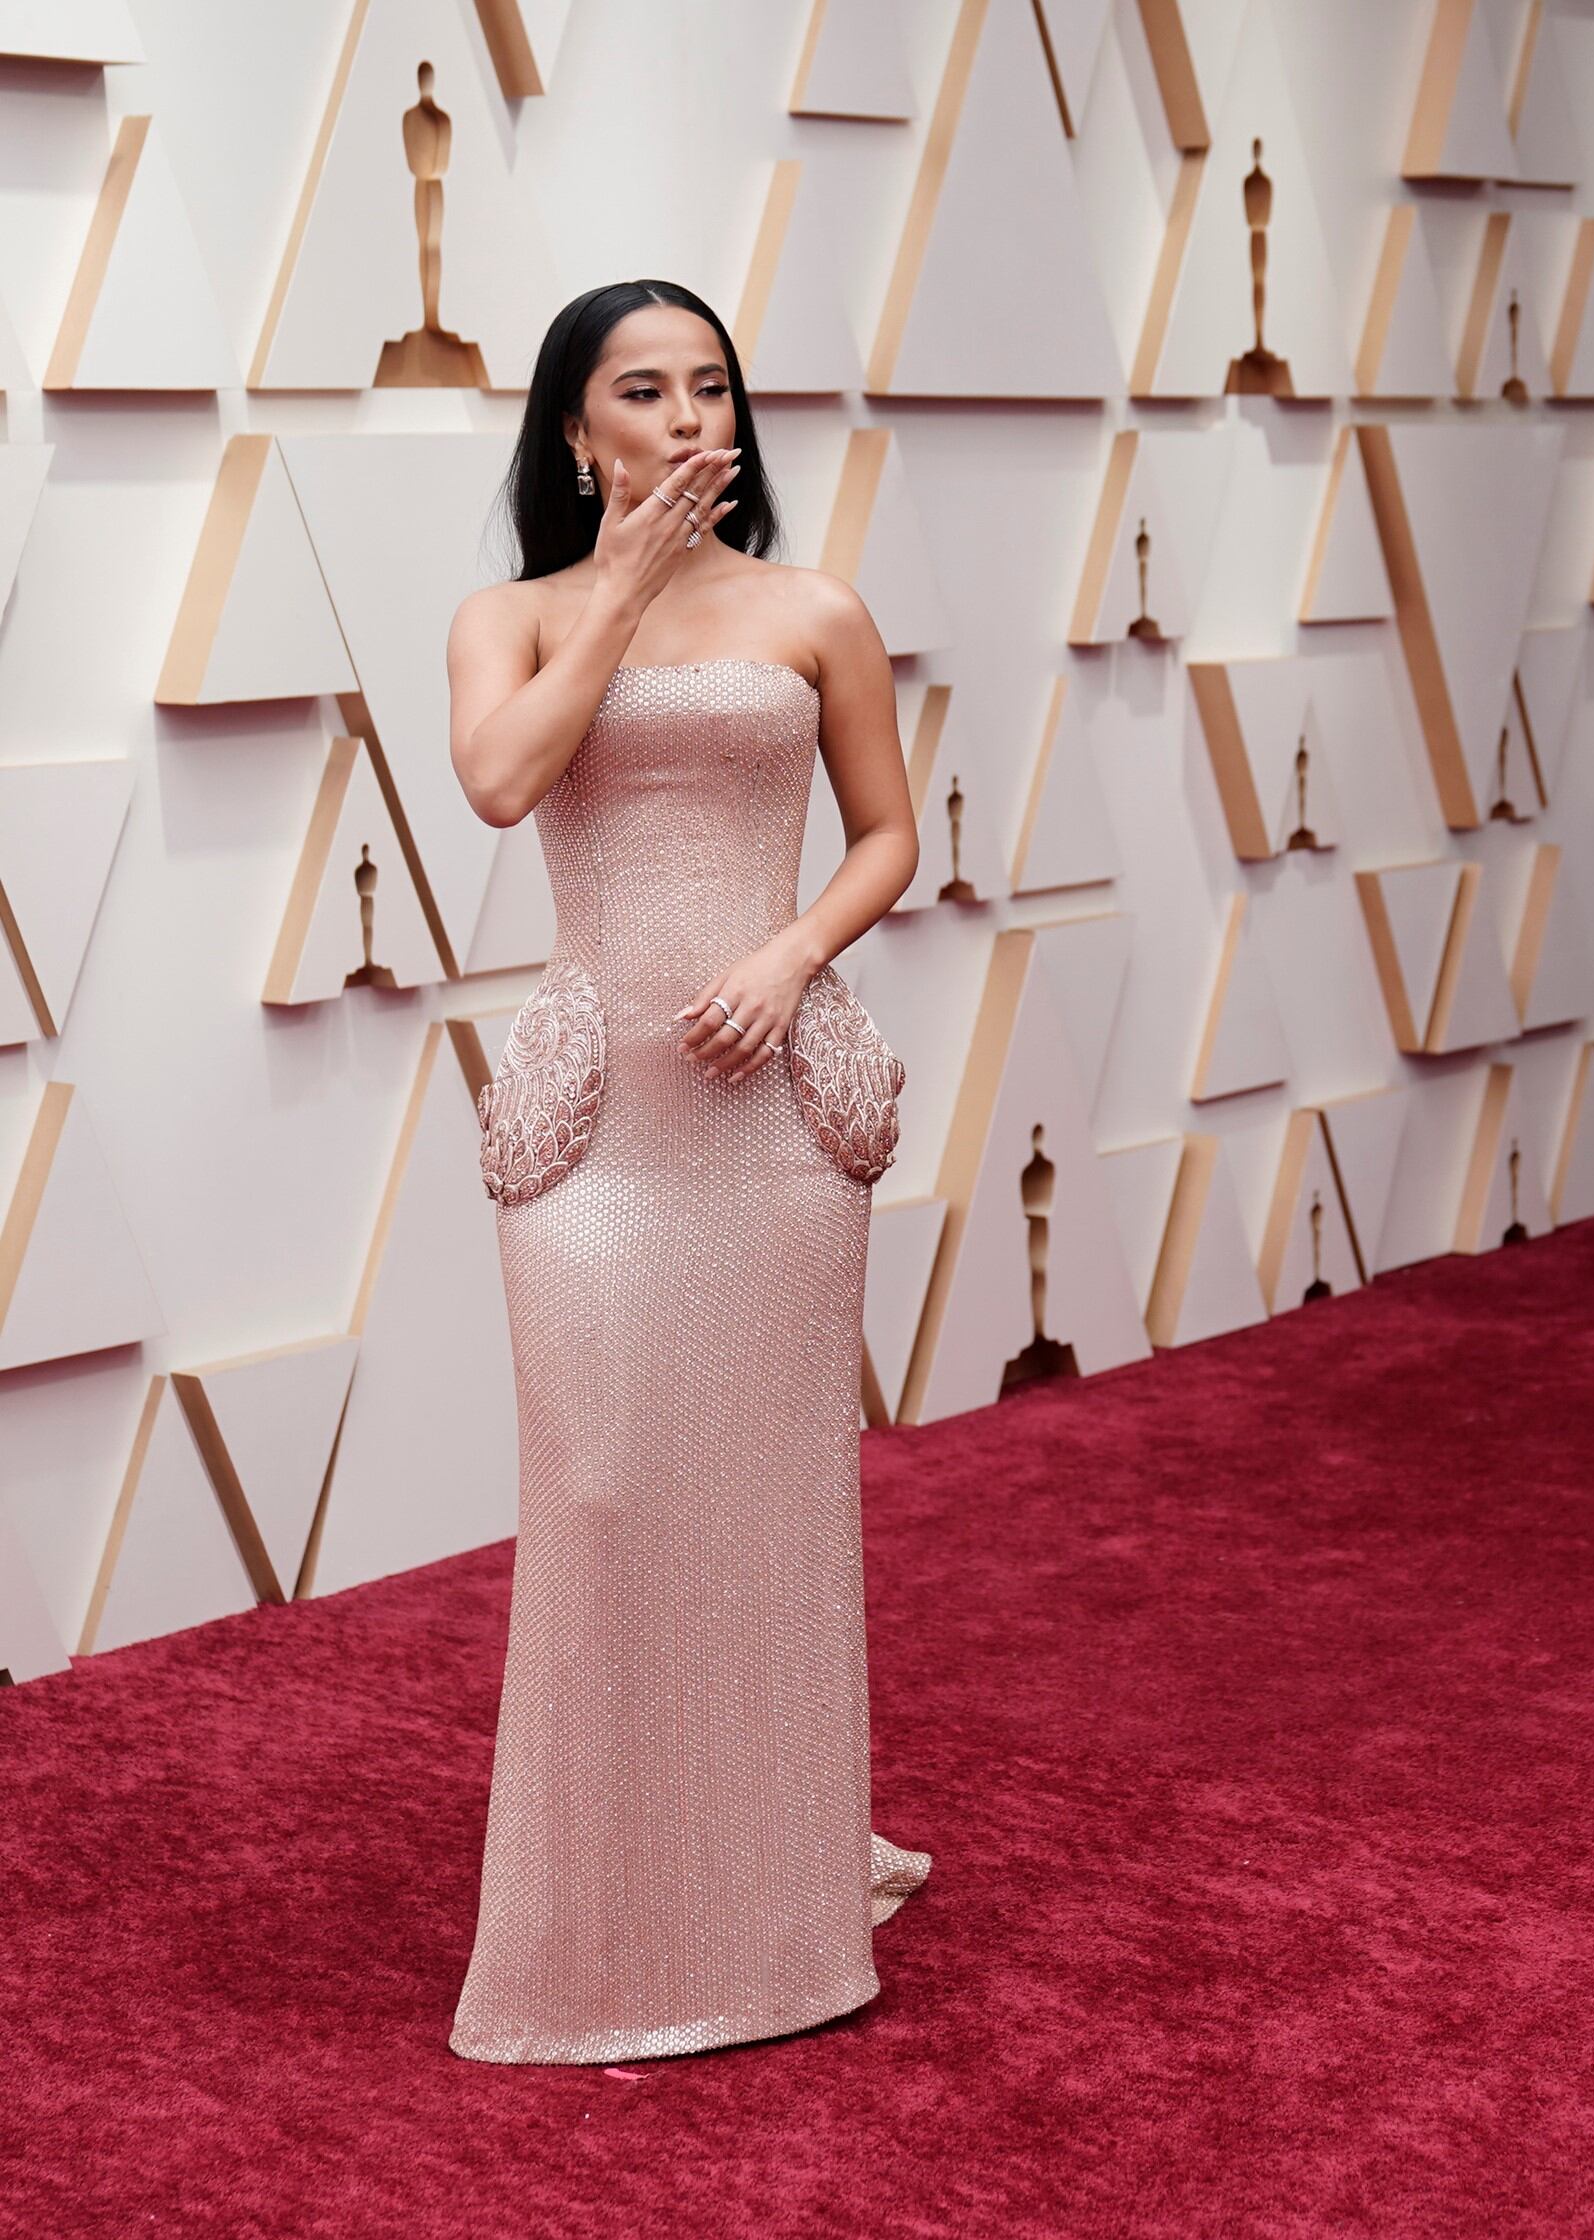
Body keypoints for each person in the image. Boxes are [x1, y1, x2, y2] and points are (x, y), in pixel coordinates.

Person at [441, 280, 929, 2063]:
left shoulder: (817, 610)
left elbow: (889, 834)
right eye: (639, 391)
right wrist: (627, 588)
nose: (683, 418)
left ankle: (774, 1889)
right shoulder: (508, 619)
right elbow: (499, 783)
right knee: (601, 1489)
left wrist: (793, 955)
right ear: (576, 432)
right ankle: (591, 1921)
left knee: (769, 1499)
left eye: (708, 387)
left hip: (772, 1121)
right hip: (599, 1131)